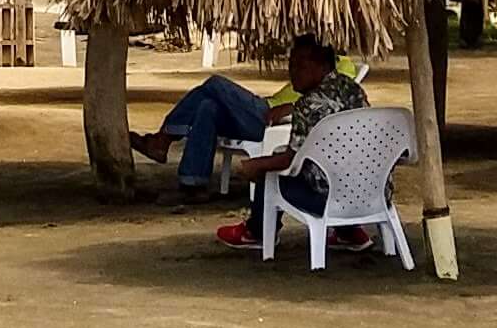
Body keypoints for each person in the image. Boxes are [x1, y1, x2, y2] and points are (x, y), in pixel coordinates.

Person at [131, 37, 367, 220]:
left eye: (299, 66)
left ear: (321, 65)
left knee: (216, 84)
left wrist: (292, 107)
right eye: (291, 65)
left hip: (268, 118)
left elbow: (331, 104)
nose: (292, 71)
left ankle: (162, 140)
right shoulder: (320, 84)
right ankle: (192, 183)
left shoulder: (339, 71)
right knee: (207, 107)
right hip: (268, 110)